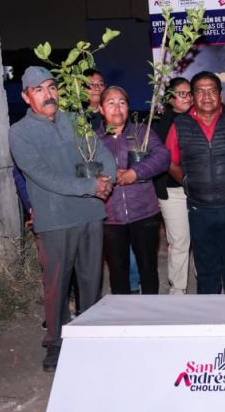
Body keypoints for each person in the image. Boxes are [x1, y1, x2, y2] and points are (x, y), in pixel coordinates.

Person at [10, 66, 115, 372]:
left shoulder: (74, 120)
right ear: (26, 96)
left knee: (91, 279)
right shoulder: (19, 132)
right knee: (56, 285)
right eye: (39, 90)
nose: (48, 94)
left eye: (52, 87)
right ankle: (56, 342)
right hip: (55, 218)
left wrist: (107, 180)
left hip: (90, 213)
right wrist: (90, 186)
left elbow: (102, 152)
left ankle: (89, 334)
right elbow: (41, 175)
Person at [165, 71, 225, 294]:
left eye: (212, 91)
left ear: (220, 95)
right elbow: (170, 163)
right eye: (200, 91)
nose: (206, 96)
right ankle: (209, 313)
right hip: (200, 209)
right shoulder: (180, 125)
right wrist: (187, 183)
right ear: (193, 96)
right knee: (206, 269)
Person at [97, 86, 169, 295]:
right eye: (111, 103)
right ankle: (123, 312)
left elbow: (162, 156)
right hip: (110, 216)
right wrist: (106, 176)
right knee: (117, 271)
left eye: (122, 102)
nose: (117, 107)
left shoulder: (141, 131)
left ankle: (151, 310)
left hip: (144, 212)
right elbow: (83, 170)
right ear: (101, 109)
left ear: (128, 107)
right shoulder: (93, 139)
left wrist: (135, 173)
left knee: (148, 268)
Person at [152, 77, 193, 294]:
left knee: (201, 239)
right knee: (179, 241)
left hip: (200, 190)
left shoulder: (199, 118)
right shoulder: (160, 123)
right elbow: (157, 160)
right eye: (181, 93)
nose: (187, 98)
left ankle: (206, 285)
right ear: (170, 98)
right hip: (172, 190)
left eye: (189, 93)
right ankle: (178, 290)